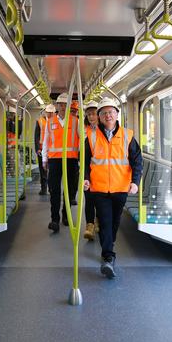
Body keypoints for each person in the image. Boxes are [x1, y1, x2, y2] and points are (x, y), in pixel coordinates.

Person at [83, 97, 142, 278]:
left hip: (120, 188)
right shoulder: (91, 137)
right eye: (104, 113)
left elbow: (137, 161)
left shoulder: (128, 135)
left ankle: (109, 244)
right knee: (106, 221)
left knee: (115, 222)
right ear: (99, 117)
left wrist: (135, 181)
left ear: (117, 115)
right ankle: (108, 257)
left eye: (111, 112)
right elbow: (84, 162)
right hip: (99, 189)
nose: (108, 115)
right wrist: (85, 179)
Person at [42, 93, 80, 233]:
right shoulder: (50, 122)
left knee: (69, 190)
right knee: (54, 190)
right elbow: (46, 141)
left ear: (69, 106)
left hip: (71, 160)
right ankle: (54, 219)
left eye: (66, 104)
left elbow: (81, 141)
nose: (63, 107)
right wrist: (44, 159)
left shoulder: (76, 121)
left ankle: (66, 215)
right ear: (57, 106)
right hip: (54, 160)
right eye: (61, 104)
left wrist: (81, 159)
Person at [82, 100, 99, 241]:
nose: (91, 117)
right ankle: (89, 225)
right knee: (88, 198)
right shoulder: (85, 131)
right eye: (89, 115)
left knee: (99, 199)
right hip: (87, 169)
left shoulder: (106, 131)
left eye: (93, 114)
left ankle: (98, 220)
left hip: (101, 171)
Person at [34, 105, 55, 195]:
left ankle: (51, 188)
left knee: (52, 171)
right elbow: (36, 136)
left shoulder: (57, 122)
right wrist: (37, 148)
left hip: (53, 150)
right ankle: (43, 189)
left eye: (51, 112)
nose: (49, 114)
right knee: (43, 170)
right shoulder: (40, 121)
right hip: (42, 149)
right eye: (48, 112)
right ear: (45, 112)